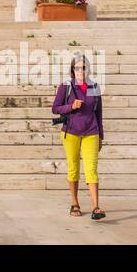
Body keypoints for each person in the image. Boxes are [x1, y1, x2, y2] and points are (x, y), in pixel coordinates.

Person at [52, 54, 105, 219]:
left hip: (91, 133)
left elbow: (99, 113)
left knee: (92, 170)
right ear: (72, 69)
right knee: (73, 168)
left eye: (83, 67)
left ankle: (96, 207)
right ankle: (75, 204)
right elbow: (55, 108)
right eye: (77, 67)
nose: (80, 71)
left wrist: (101, 136)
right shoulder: (65, 86)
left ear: (87, 69)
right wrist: (71, 106)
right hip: (71, 133)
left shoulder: (94, 87)